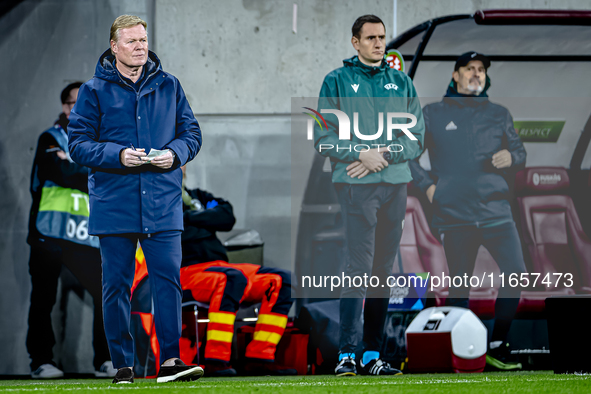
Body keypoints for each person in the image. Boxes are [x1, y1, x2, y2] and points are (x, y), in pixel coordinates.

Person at [68, 15, 202, 384]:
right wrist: (118, 156)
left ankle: (172, 361)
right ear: (114, 47)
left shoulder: (169, 85)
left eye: (143, 40)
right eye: (131, 42)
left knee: (168, 284)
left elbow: (191, 132)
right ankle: (122, 366)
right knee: (115, 287)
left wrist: (175, 154)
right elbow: (77, 144)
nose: (140, 46)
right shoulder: (93, 91)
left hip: (162, 203)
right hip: (116, 204)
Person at [314, 15, 425, 376]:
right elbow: (323, 137)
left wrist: (384, 155)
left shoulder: (402, 82)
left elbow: (417, 136)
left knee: (382, 272)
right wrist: (361, 154)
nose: (379, 44)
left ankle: (371, 356)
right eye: (371, 38)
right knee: (358, 268)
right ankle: (347, 354)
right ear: (355, 42)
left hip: (395, 183)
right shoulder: (336, 81)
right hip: (356, 185)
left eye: (382, 38)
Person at [408, 51, 527, 370]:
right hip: (455, 214)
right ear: (456, 75)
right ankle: (456, 353)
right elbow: (408, 156)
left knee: (516, 273)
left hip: (496, 212)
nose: (476, 74)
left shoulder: (499, 114)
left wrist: (511, 158)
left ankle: (498, 345)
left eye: (481, 70)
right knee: (460, 284)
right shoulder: (432, 113)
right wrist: (430, 188)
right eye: (469, 69)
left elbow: (518, 151)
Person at [26, 82, 116, 379]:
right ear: (65, 107)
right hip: (49, 234)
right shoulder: (50, 138)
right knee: (44, 298)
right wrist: (95, 169)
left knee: (106, 293)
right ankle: (41, 361)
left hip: (83, 235)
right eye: (74, 103)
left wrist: (84, 166)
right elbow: (63, 172)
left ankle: (104, 360)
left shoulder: (97, 142)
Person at [178, 166, 294, 376]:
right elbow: (182, 224)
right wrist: (204, 218)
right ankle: (215, 359)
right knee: (232, 279)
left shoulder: (199, 196)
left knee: (281, 280)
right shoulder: (158, 201)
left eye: (183, 162)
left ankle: (260, 356)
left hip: (221, 269)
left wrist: (190, 217)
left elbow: (226, 216)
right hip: (186, 273)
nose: (181, 166)